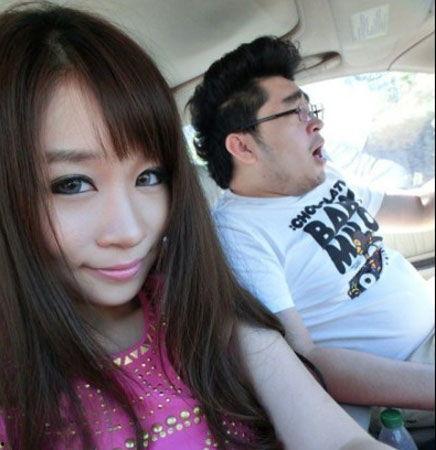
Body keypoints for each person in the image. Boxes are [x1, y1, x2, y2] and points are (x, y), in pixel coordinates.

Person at [0, 3, 393, 450]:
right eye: (72, 184)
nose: (130, 232)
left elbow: (336, 439)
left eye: (149, 176)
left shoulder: (201, 310)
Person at [188, 36, 435, 428]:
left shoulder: (323, 176)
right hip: (406, 383)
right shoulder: (238, 234)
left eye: (310, 109)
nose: (315, 122)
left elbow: (420, 210)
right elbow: (305, 361)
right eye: (295, 113)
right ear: (243, 147)